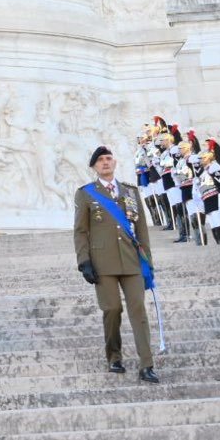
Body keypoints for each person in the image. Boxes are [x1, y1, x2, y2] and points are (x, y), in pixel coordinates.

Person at [74, 147, 158, 383]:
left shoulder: (130, 192)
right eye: (100, 160)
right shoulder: (86, 194)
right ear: (94, 167)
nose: (105, 163)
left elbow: (141, 230)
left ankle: (146, 364)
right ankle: (114, 356)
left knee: (138, 310)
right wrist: (84, 261)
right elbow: (80, 231)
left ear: (115, 162)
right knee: (112, 310)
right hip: (104, 263)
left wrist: (148, 263)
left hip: (132, 261)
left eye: (108, 158)